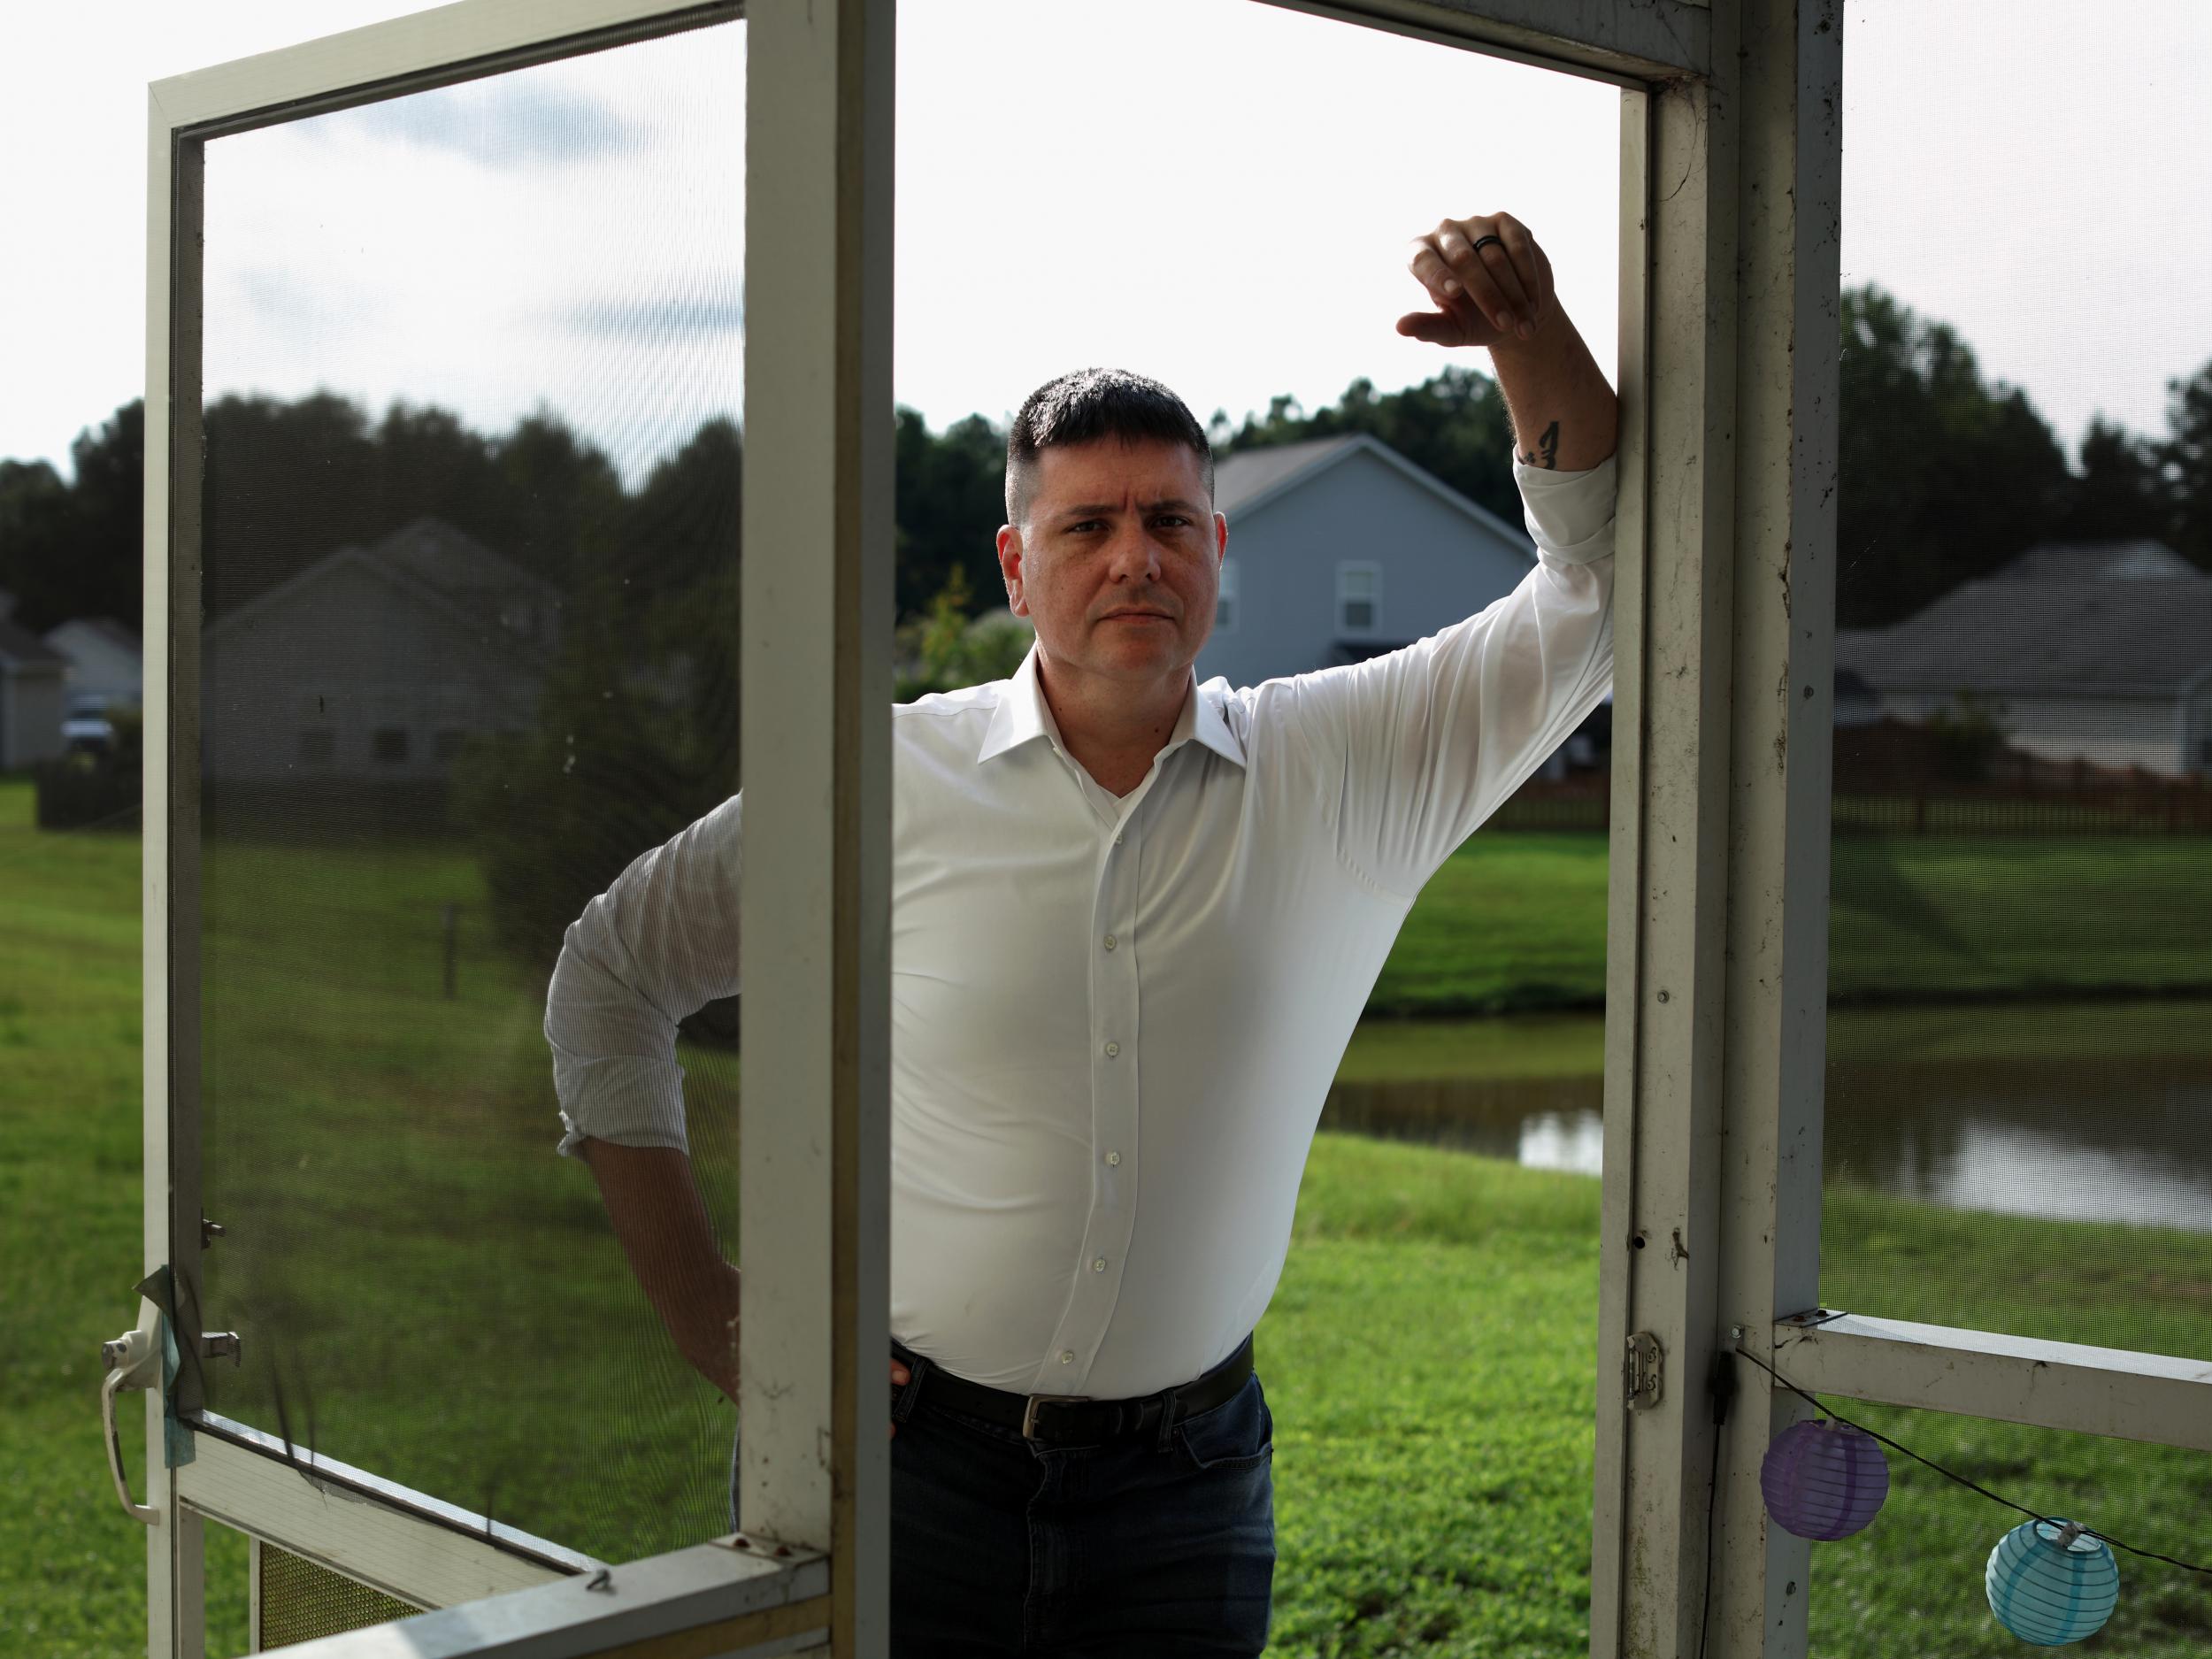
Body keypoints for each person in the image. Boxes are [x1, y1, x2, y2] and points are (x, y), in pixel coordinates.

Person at [544, 208, 1618, 1656]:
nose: (1134, 560)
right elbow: (611, 975)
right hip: (895, 1470)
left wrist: (1524, 335)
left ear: (1217, 552)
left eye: (1169, 522)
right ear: (1015, 562)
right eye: (1088, 526)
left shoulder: (1346, 770)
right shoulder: (878, 783)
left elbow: (1599, 591)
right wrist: (711, 1317)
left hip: (1183, 1499)